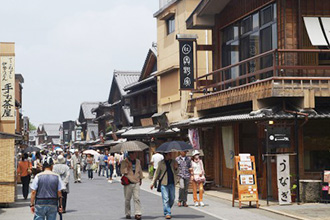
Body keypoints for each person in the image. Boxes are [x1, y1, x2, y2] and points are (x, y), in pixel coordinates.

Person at [151, 153, 178, 219]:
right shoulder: (161, 163)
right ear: (165, 155)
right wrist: (152, 183)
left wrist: (176, 168)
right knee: (166, 199)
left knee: (172, 198)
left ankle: (167, 208)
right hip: (164, 183)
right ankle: (167, 213)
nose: (171, 155)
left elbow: (177, 172)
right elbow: (156, 173)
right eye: (169, 154)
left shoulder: (174, 162)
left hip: (172, 182)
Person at [121, 152, 143, 220]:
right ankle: (128, 213)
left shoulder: (138, 161)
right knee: (127, 199)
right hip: (128, 182)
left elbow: (140, 170)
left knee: (137, 198)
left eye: (135, 154)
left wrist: (141, 178)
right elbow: (122, 171)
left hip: (136, 181)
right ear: (130, 154)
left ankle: (138, 213)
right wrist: (128, 166)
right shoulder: (124, 161)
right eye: (134, 154)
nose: (135, 155)